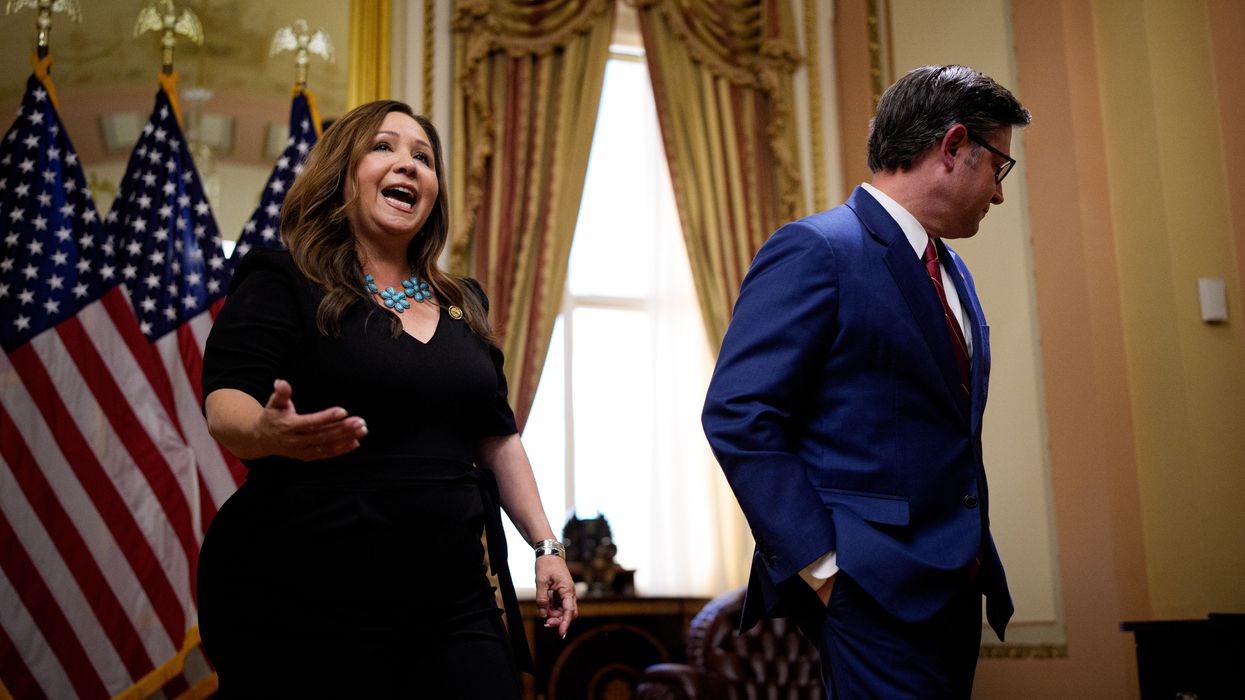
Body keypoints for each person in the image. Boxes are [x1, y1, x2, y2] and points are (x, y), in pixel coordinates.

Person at [197, 100, 576, 697]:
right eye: (384, 148)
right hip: (303, 598)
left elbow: (496, 436)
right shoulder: (284, 277)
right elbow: (226, 403)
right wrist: (270, 434)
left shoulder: (463, 302)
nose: (409, 165)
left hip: (454, 601)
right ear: (342, 176)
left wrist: (546, 546)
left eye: (423, 157)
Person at [701, 65, 1031, 698]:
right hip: (869, 591)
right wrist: (826, 572)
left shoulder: (953, 272)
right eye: (999, 166)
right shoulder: (815, 248)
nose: (998, 193)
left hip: (956, 591)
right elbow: (739, 412)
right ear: (954, 146)